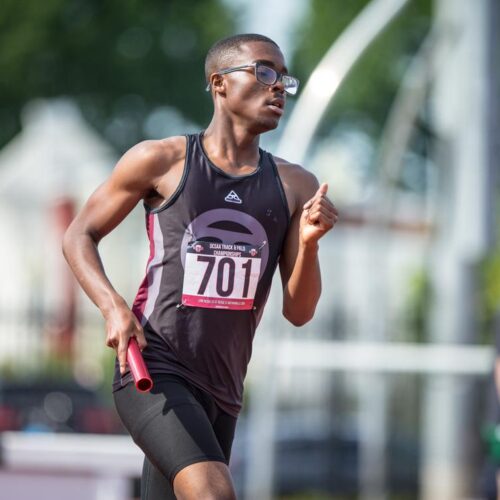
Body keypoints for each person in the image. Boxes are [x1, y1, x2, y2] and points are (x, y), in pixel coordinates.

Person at [63, 33, 338, 500]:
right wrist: (113, 306)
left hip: (225, 388)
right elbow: (79, 235)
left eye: (284, 80)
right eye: (264, 72)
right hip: (154, 367)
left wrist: (308, 245)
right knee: (213, 493)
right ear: (219, 84)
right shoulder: (161, 160)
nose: (278, 89)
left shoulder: (294, 185)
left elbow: (299, 311)